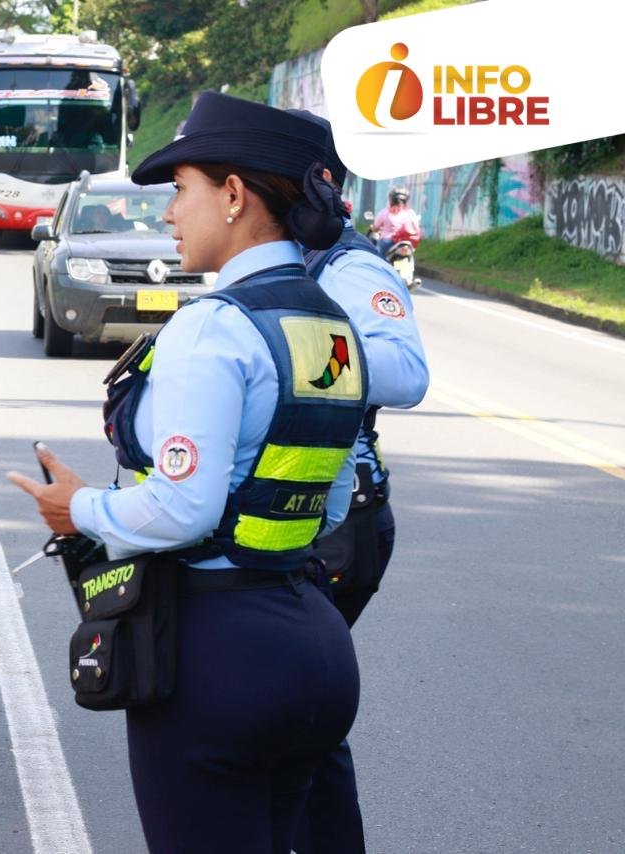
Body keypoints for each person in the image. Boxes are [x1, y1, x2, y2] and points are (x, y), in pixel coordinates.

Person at [9, 91, 369, 851]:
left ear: (233, 196)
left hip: (216, 657)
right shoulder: (331, 322)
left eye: (181, 190)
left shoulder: (213, 326)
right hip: (317, 646)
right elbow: (332, 501)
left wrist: (82, 509)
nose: (169, 213)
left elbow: (183, 508)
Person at [287, 110, 430, 854]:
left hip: (345, 522)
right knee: (285, 713)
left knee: (297, 712)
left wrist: (296, 355)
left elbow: (408, 375)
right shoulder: (288, 267)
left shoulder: (351, 268)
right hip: (300, 510)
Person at [372, 186, 420, 258]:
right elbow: (416, 228)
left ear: (391, 198)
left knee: (377, 258)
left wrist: (374, 228)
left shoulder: (385, 212)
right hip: (407, 243)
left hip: (388, 241)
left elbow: (375, 228)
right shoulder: (411, 213)